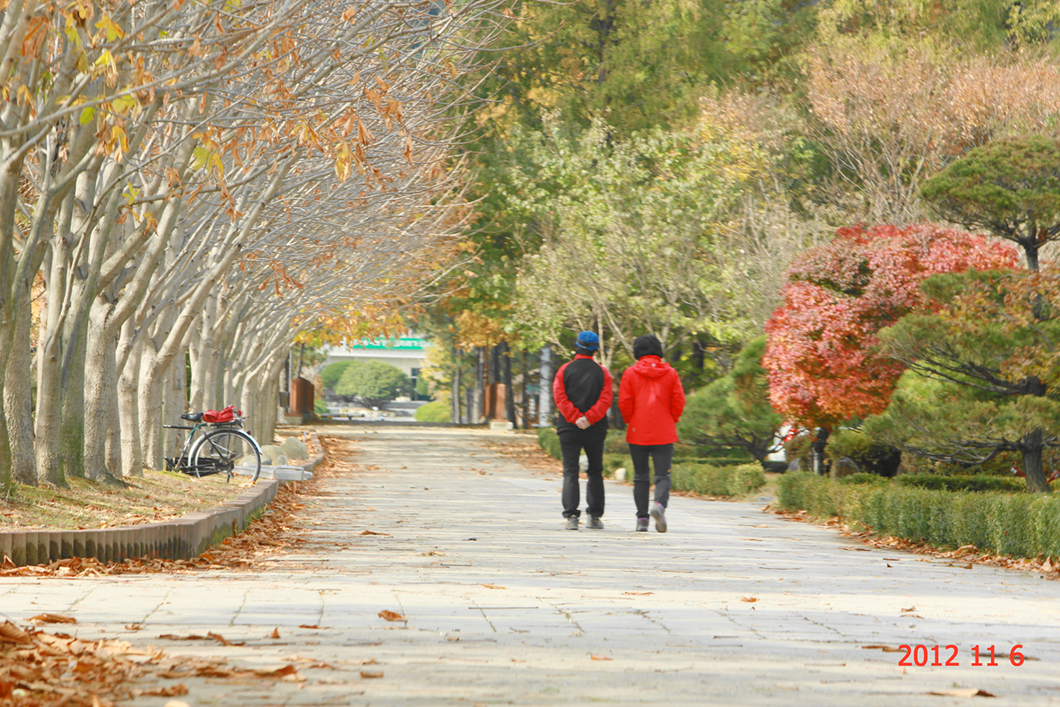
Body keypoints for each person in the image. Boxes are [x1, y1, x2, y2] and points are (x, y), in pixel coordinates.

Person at [618, 334, 686, 533]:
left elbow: (624, 402)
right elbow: (678, 400)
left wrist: (630, 420)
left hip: (637, 430)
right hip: (664, 430)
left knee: (640, 476)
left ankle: (642, 519)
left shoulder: (630, 373)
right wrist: (672, 418)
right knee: (663, 475)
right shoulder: (671, 373)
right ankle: (659, 505)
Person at [553, 331, 613, 530]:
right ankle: (594, 517)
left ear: (576, 347)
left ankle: (571, 517)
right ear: (596, 350)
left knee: (570, 471)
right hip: (595, 428)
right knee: (595, 471)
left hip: (568, 428)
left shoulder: (564, 370)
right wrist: (589, 418)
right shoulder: (603, 372)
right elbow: (606, 399)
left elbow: (560, 397)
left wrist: (575, 417)